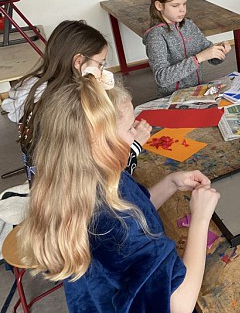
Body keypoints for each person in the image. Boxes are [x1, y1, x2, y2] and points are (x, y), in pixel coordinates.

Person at [18, 77, 220, 312]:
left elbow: (137, 210)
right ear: (100, 142)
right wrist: (201, 218)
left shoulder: (89, 177)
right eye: (130, 128)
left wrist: (171, 183)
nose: (136, 135)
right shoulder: (112, 223)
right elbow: (179, 304)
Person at [1, 20, 150, 182]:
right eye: (100, 64)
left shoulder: (34, 90)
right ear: (78, 61)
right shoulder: (70, 109)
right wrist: (134, 146)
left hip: (42, 185)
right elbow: (107, 182)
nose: (102, 71)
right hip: (74, 191)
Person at [143, 0, 231, 96]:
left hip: (197, 91)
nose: (182, 10)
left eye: (184, 4)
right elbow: (162, 78)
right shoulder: (156, 36)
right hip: (173, 97)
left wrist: (220, 50)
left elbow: (210, 55)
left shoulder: (189, 25)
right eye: (175, 5)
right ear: (159, 6)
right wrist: (198, 58)